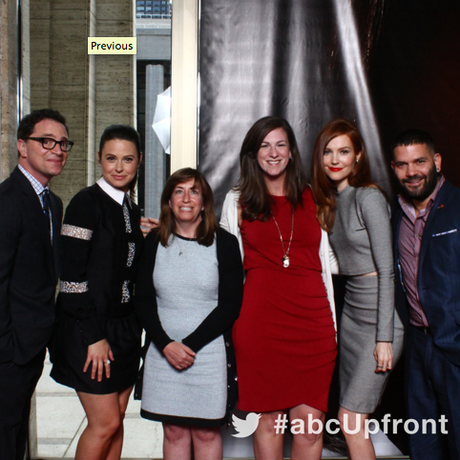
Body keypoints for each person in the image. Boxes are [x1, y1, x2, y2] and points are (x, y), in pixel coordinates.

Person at [220, 116, 337, 460]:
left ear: (291, 152)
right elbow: (223, 261)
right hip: (260, 326)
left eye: (280, 144)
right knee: (269, 421)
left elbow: (330, 257)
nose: (273, 153)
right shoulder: (237, 200)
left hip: (313, 323)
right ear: (253, 154)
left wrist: (373, 268)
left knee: (309, 423)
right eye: (264, 146)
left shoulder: (315, 196)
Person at [310, 118, 404, 459]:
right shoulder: (332, 202)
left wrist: (384, 338)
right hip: (351, 318)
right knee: (349, 419)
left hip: (380, 320)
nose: (335, 159)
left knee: (350, 419)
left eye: (344, 151)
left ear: (358, 156)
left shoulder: (369, 197)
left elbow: (387, 272)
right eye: (328, 152)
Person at [135, 168, 243, 460]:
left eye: (194, 191)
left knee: (207, 433)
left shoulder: (225, 243)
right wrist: (167, 345)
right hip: (162, 352)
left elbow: (230, 305)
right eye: (178, 191)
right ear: (169, 201)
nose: (186, 198)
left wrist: (189, 346)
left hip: (207, 356)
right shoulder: (154, 242)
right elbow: (143, 300)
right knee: (174, 432)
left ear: (205, 202)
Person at [50, 125, 144, 460]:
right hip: (86, 330)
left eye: (127, 159)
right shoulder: (84, 203)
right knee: (103, 423)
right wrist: (93, 337)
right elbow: (71, 279)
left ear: (139, 162)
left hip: (124, 331)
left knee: (117, 423)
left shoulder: (131, 210)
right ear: (99, 160)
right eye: (111, 158)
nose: (119, 167)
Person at [0, 109, 70, 460]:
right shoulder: (7, 201)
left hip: (31, 346)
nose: (57, 149)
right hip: (9, 352)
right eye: (46, 141)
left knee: (14, 429)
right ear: (22, 147)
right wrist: (7, 347)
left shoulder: (52, 204)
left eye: (62, 143)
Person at [391, 129, 460, 460]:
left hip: (454, 345)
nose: (412, 172)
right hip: (417, 347)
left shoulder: (457, 206)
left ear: (436, 161)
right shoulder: (394, 216)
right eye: (402, 165)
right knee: (424, 442)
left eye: (419, 161)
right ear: (393, 168)